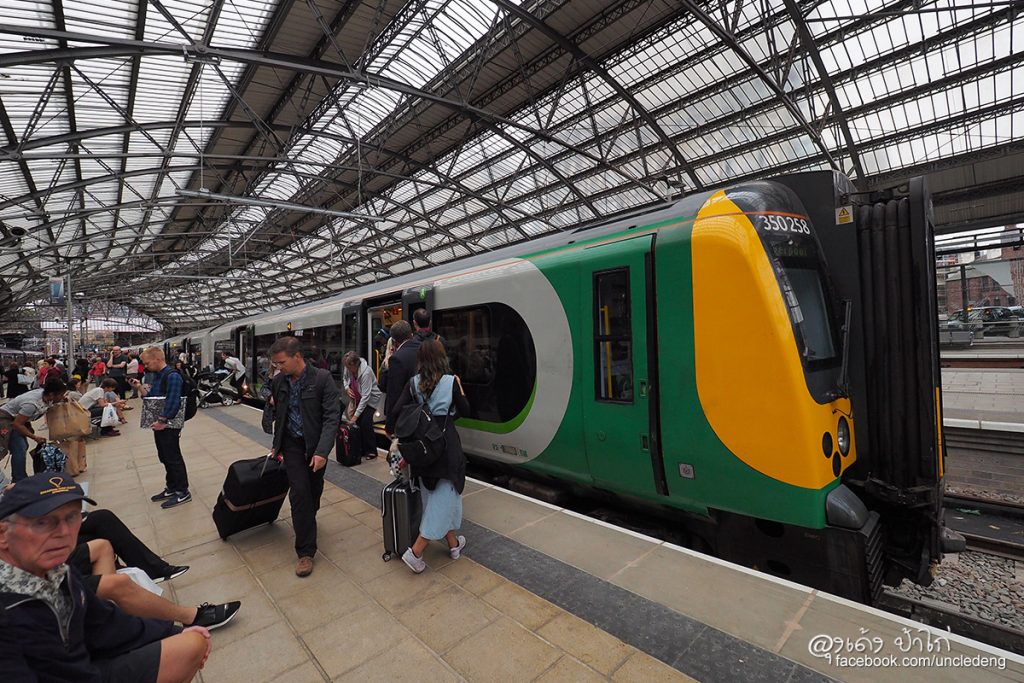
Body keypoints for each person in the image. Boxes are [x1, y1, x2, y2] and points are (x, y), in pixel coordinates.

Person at [0, 472, 212, 681]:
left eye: (72, 517)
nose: (64, 532)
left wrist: (173, 632)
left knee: (192, 644)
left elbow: (104, 622)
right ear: (3, 535)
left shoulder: (58, 571)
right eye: (43, 523)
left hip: (86, 668)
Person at [390, 340, 469, 574]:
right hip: (446, 447)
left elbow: (396, 411)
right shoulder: (451, 381)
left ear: (421, 361)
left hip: (423, 448)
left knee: (438, 499)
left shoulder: (413, 383)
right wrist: (458, 394)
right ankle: (415, 552)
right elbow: (466, 411)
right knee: (443, 500)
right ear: (442, 358)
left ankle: (453, 544)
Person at [267, 336, 340, 577]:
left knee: (313, 490)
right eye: (276, 364)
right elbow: (279, 415)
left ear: (297, 357)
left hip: (314, 446)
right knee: (299, 494)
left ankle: (308, 516)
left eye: (282, 362)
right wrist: (277, 445)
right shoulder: (279, 381)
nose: (279, 368)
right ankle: (305, 552)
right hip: (292, 446)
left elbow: (332, 417)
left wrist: (322, 452)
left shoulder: (322, 379)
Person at [133, 347, 190, 509]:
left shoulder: (172, 376)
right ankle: (172, 487)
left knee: (173, 457)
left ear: (157, 359)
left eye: (147, 363)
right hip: (161, 424)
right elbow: (152, 397)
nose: (145, 366)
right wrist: (140, 387)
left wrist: (163, 420)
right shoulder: (159, 375)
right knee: (164, 456)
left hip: (168, 424)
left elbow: (173, 401)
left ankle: (182, 491)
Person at [0, 378, 67, 482]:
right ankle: (19, 479)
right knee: (20, 447)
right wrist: (35, 437)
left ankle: (19, 477)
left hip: (17, 419)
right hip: (6, 419)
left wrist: (63, 399)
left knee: (22, 446)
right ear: (51, 394)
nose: (62, 397)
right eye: (61, 395)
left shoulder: (46, 396)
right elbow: (17, 424)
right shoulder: (31, 404)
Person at [341, 350, 383, 460]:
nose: (347, 369)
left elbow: (366, 397)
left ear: (354, 365)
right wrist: (347, 388)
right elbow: (345, 378)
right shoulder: (348, 366)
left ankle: (371, 451)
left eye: (348, 367)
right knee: (359, 423)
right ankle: (362, 449)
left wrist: (354, 417)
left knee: (365, 422)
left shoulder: (366, 373)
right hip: (358, 397)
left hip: (371, 400)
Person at [382, 320, 418, 437]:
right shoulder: (425, 348)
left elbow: (394, 393)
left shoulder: (396, 358)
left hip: (407, 417)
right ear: (411, 334)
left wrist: (390, 425)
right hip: (427, 414)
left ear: (394, 340)